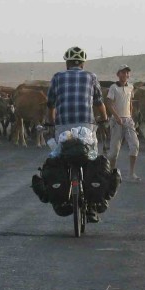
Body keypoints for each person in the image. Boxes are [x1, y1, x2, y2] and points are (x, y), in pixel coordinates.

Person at [47, 46, 108, 222]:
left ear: (67, 63)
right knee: (91, 159)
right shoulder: (91, 77)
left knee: (60, 158)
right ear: (82, 63)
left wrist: (50, 123)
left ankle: (61, 200)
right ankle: (91, 207)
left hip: (63, 126)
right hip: (86, 126)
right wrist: (103, 120)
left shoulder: (57, 77)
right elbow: (99, 103)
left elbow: (50, 104)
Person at [107, 65, 141, 182]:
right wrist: (116, 117)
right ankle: (111, 174)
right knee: (114, 152)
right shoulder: (113, 87)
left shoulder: (130, 87)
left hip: (128, 120)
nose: (125, 75)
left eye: (127, 73)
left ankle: (131, 173)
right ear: (118, 74)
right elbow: (109, 104)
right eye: (122, 72)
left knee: (135, 145)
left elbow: (130, 102)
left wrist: (130, 116)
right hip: (117, 121)